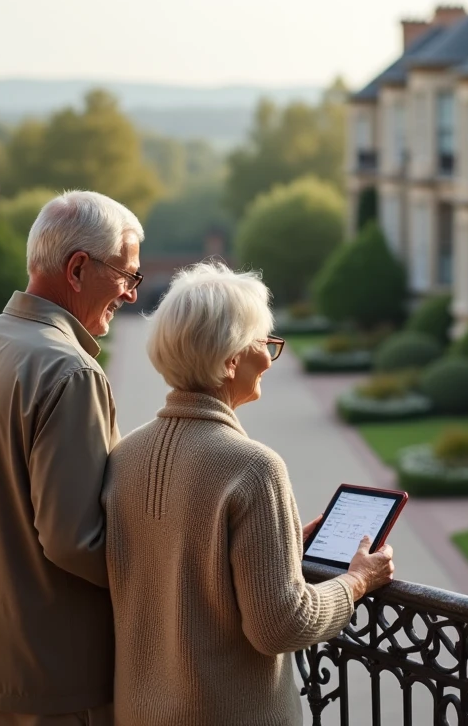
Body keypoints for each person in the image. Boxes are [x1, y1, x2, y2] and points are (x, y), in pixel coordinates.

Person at [103, 262, 396, 726]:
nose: (269, 357)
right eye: (264, 343)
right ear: (231, 360)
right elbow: (281, 625)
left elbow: (180, 565)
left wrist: (282, 548)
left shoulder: (125, 455)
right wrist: (357, 581)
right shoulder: (254, 467)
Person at [0, 190, 143, 726]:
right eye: (127, 276)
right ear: (76, 269)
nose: (131, 294)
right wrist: (179, 570)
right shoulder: (71, 372)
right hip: (52, 680)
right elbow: (76, 540)